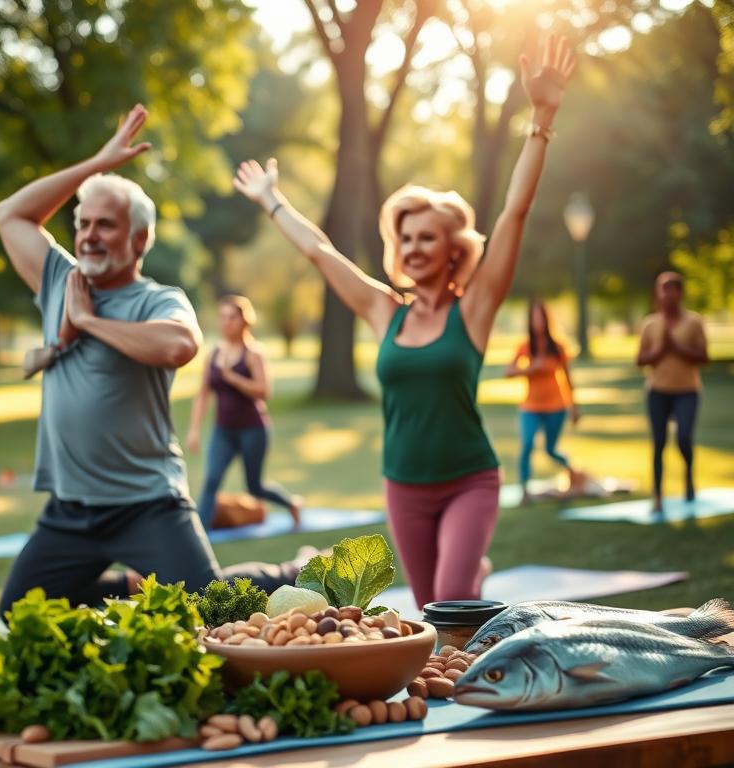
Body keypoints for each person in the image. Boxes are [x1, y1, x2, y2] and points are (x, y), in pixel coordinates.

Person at [233, 36, 576, 607]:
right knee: (425, 605)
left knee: (452, 601)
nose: (414, 247)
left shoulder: (475, 309)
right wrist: (273, 201)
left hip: (469, 479)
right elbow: (321, 253)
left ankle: (472, 576)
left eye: (428, 239)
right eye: (406, 238)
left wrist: (541, 118)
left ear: (451, 251)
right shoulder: (382, 310)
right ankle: (471, 580)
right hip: (404, 485)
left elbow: (514, 212)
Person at [0, 104, 306, 615]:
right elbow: (10, 214)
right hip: (70, 509)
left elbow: (180, 345)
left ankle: (291, 574)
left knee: (206, 608)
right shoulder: (58, 278)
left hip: (147, 502)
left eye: (107, 226)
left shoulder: (159, 299)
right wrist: (96, 165)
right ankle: (141, 591)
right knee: (21, 609)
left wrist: (88, 322)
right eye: (84, 224)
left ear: (139, 240)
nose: (90, 235)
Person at [187, 295, 303, 529]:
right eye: (223, 318)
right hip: (223, 431)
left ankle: (291, 503)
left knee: (254, 486)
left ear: (244, 321)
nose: (226, 323)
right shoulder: (213, 354)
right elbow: (203, 394)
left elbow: (264, 391)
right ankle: (199, 533)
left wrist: (234, 378)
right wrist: (194, 429)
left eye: (231, 318)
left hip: (253, 430)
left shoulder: (253, 353)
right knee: (211, 481)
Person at [636, 271, 708, 513]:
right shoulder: (650, 324)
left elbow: (703, 357)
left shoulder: (693, 322)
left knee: (684, 437)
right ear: (658, 293)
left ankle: (688, 476)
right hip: (657, 391)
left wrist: (676, 347)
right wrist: (659, 351)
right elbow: (640, 359)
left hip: (687, 391)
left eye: (672, 289)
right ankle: (657, 496)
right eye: (663, 289)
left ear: (680, 293)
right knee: (658, 444)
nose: (667, 295)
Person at [505, 300, 580, 503]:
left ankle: (571, 470)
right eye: (534, 317)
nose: (537, 321)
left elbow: (568, 379)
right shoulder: (525, 346)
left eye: (541, 316)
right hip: (530, 407)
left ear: (547, 319)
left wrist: (574, 407)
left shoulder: (557, 347)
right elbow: (508, 371)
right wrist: (531, 369)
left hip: (556, 407)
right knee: (527, 445)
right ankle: (524, 492)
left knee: (550, 450)